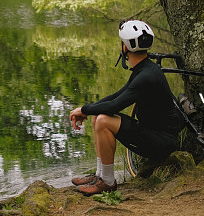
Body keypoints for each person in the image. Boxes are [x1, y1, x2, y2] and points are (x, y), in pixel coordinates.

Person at [68, 20, 184, 196]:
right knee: (98, 114)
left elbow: (115, 105)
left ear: (125, 47)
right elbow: (116, 95)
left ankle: (107, 182)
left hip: (161, 143)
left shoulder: (146, 75)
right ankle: (99, 175)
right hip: (153, 134)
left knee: (103, 120)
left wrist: (83, 109)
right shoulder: (144, 69)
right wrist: (87, 110)